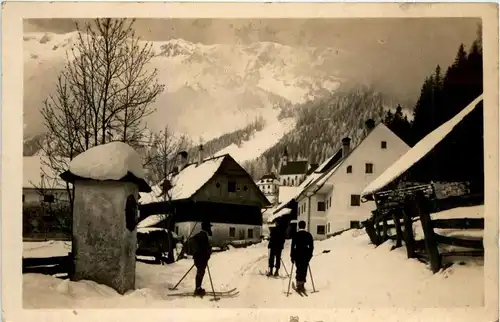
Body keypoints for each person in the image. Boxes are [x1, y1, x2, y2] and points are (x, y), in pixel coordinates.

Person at [190, 221, 213, 296]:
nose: (210, 228)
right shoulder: (203, 236)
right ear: (206, 228)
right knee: (200, 273)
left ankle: (198, 288)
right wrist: (207, 254)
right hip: (201, 259)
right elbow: (204, 248)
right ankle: (197, 289)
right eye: (209, 227)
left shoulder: (201, 235)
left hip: (199, 258)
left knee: (200, 273)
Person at [290, 220, 314, 292]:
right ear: (305, 226)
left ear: (298, 226)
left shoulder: (295, 235)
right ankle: (302, 285)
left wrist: (292, 256)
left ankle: (299, 285)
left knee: (299, 269)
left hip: (297, 254)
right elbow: (311, 247)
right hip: (305, 255)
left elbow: (292, 246)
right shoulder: (308, 235)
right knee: (304, 270)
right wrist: (310, 255)